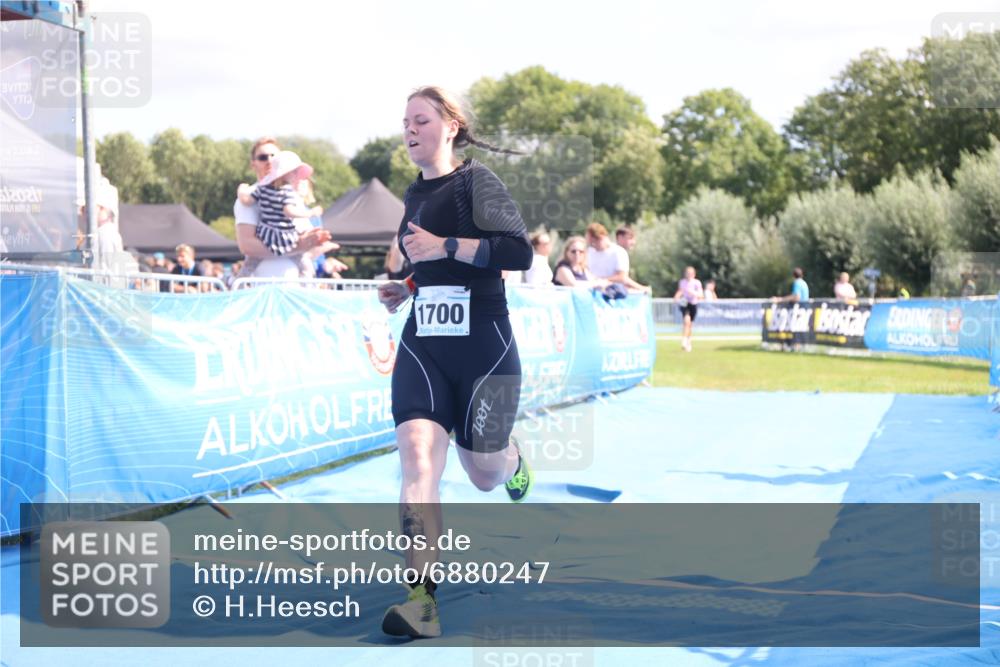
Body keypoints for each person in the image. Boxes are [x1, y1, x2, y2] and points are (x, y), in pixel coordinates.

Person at [376, 86, 534, 640]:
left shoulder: (477, 181)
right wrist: (408, 285)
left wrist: (444, 247)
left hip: (484, 347)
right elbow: (432, 264)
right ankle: (421, 601)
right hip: (426, 343)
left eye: (420, 119)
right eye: (404, 122)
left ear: (450, 125)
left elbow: (518, 253)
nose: (409, 129)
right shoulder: (414, 192)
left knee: (484, 473)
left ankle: (512, 460)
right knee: (417, 458)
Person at [233, 137, 335, 280]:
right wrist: (296, 247)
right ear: (253, 164)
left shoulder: (292, 195)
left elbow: (305, 241)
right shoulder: (253, 194)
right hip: (266, 289)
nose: (269, 160)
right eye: (263, 157)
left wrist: (316, 241)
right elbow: (247, 245)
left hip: (295, 289)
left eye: (274, 156)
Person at [585, 222, 650, 293]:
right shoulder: (589, 252)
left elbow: (622, 277)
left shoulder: (618, 252)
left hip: (613, 294)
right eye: (591, 243)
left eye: (594, 242)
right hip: (592, 292)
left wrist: (599, 280)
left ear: (602, 237)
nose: (593, 246)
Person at [673, 266, 704, 352]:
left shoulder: (697, 283)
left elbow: (701, 295)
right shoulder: (682, 282)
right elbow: (680, 291)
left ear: (694, 274)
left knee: (690, 324)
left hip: (693, 304)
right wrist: (676, 297)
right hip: (685, 304)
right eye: (687, 273)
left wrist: (693, 293)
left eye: (691, 273)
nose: (689, 275)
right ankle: (684, 341)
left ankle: (688, 341)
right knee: (687, 321)